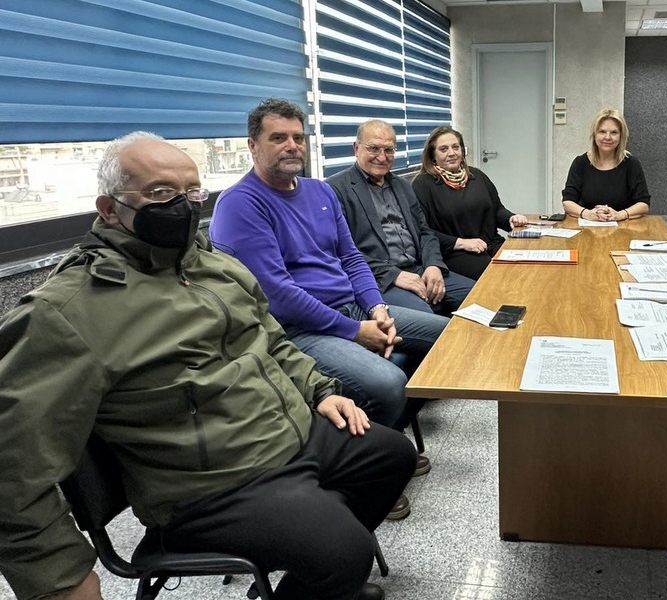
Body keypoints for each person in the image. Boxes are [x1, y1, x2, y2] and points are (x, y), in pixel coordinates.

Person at [0, 133, 414, 600]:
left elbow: (270, 338)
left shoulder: (212, 266)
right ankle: (328, 571)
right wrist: (60, 578)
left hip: (283, 435)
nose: (182, 206)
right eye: (160, 193)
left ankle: (315, 586)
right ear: (110, 208)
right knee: (343, 552)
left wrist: (319, 390)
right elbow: (11, 460)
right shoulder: (67, 311)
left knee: (391, 457)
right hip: (209, 486)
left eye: (192, 192)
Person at [211, 99, 444, 519]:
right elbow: (278, 295)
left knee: (445, 336)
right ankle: (370, 474)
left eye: (298, 137)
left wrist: (376, 308)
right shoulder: (240, 204)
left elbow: (351, 257)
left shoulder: (319, 192)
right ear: (253, 145)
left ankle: (386, 441)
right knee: (389, 381)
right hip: (296, 331)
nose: (292, 146)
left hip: (351, 307)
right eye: (278, 138)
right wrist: (355, 332)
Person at [326, 120, 476, 315]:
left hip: (419, 269)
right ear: (356, 148)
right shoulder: (334, 189)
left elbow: (425, 232)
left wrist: (433, 265)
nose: (382, 157)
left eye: (389, 150)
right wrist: (394, 275)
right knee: (426, 317)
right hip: (380, 279)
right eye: (374, 148)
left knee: (481, 295)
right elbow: (341, 251)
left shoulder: (403, 185)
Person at [411, 126, 528, 279]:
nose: (451, 153)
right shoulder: (423, 185)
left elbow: (496, 209)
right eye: (443, 149)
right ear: (432, 155)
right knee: (498, 277)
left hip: (491, 243)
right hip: (455, 252)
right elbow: (423, 231)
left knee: (525, 268)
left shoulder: (476, 175)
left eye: (455, 147)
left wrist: (511, 218)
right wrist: (462, 243)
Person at [561, 108, 651, 222]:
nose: (608, 137)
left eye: (614, 132)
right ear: (594, 134)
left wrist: (620, 215)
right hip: (587, 226)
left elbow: (643, 204)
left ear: (621, 136)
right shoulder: (580, 163)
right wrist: (588, 214)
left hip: (623, 226)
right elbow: (568, 202)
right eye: (602, 131)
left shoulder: (631, 164)